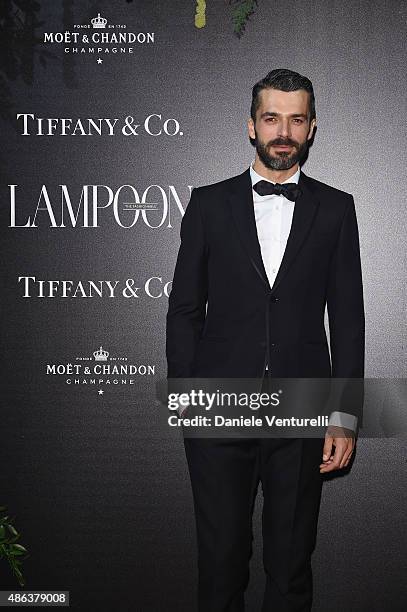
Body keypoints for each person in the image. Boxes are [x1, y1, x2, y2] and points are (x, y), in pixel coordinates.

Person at [166, 68, 365, 611]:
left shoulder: (336, 208)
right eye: (271, 118)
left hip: (301, 411)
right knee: (221, 566)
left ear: (312, 127)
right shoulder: (208, 205)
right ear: (250, 127)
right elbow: (184, 310)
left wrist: (344, 415)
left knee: (291, 569)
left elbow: (347, 320)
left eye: (295, 119)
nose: (283, 130)